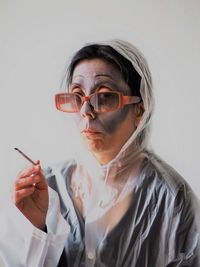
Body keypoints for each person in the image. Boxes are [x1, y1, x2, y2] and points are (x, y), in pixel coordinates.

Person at [0, 39, 199, 267]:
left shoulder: (171, 199)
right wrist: (37, 229)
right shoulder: (48, 188)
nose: (86, 111)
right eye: (77, 96)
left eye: (104, 96)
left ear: (139, 110)